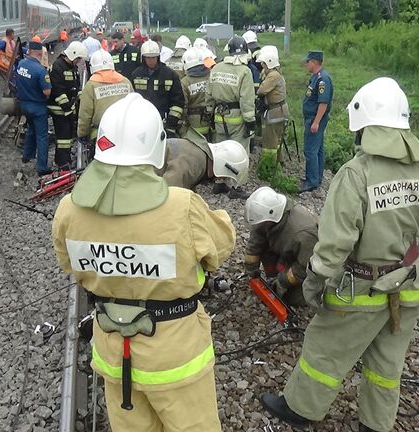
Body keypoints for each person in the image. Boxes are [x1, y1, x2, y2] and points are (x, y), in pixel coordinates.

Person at [259, 77, 419, 432]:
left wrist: (315, 282)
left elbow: (336, 242)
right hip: (411, 285)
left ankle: (300, 409)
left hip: (362, 290)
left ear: (363, 123)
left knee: (324, 349)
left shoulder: (357, 174)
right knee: (387, 362)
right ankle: (376, 424)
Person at [52, 93, 235, 432]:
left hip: (112, 353)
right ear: (157, 146)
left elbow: (70, 265)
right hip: (177, 357)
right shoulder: (183, 206)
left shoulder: (68, 209)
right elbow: (220, 248)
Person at [243, 186, 318, 306]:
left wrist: (283, 282)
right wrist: (251, 269)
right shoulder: (267, 215)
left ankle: (311, 290)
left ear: (273, 216)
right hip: (287, 252)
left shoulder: (302, 234)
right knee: (265, 251)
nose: (260, 225)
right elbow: (257, 238)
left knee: (293, 299)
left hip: (307, 261)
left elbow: (306, 266)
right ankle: (274, 275)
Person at [206, 36, 256, 152]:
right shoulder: (244, 71)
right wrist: (250, 123)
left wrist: (210, 114)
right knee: (238, 154)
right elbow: (246, 99)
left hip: (219, 117)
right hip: (237, 120)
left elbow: (209, 95)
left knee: (221, 153)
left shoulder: (216, 68)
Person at [162, 128, 248, 194]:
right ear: (221, 167)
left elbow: (186, 189)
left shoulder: (200, 157)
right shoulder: (195, 162)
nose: (223, 179)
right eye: (225, 177)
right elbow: (169, 192)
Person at [130, 40, 185, 138]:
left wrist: (170, 125)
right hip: (141, 124)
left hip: (165, 124)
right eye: (148, 58)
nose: (151, 60)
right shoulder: (135, 75)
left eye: (153, 57)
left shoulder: (170, 75)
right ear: (143, 58)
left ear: (158, 57)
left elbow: (178, 102)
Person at [77, 49, 133, 143]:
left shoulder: (91, 85)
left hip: (101, 133)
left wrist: (82, 133)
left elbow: (85, 115)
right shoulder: (126, 82)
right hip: (126, 132)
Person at [14, 39, 52, 176]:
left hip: (24, 106)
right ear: (40, 54)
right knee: (42, 136)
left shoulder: (21, 65)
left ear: (29, 52)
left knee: (31, 129)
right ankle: (42, 167)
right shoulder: (41, 71)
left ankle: (27, 155)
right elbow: (47, 92)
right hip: (38, 108)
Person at [48, 41, 88, 168]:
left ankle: (66, 157)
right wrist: (67, 107)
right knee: (63, 137)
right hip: (60, 110)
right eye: (78, 59)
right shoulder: (58, 66)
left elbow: (76, 87)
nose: (78, 61)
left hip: (69, 108)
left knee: (69, 135)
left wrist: (83, 99)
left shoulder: (72, 67)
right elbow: (57, 90)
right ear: (72, 55)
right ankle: (62, 161)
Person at [301, 50, 333, 192]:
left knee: (310, 150)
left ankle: (312, 181)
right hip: (313, 118)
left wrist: (316, 122)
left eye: (308, 61)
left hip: (315, 119)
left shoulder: (322, 80)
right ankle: (317, 177)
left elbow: (323, 103)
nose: (306, 64)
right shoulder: (316, 77)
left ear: (314, 62)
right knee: (318, 149)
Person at [256, 46, 289, 167]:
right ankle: (280, 162)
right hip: (278, 110)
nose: (262, 65)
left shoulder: (273, 76)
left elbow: (261, 90)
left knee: (270, 140)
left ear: (269, 63)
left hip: (275, 111)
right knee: (277, 138)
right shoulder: (274, 73)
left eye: (264, 63)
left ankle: (269, 165)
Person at [180, 47, 212, 138]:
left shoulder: (185, 82)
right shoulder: (211, 77)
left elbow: (183, 105)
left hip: (193, 126)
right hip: (212, 122)